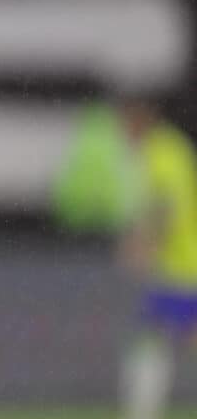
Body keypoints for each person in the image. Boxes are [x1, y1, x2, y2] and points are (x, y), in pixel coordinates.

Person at [116, 98, 197, 419]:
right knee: (160, 336)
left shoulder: (162, 152)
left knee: (151, 337)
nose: (122, 132)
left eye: (124, 123)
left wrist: (142, 244)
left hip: (185, 266)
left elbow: (166, 206)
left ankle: (142, 412)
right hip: (179, 266)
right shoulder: (169, 149)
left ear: (139, 119)